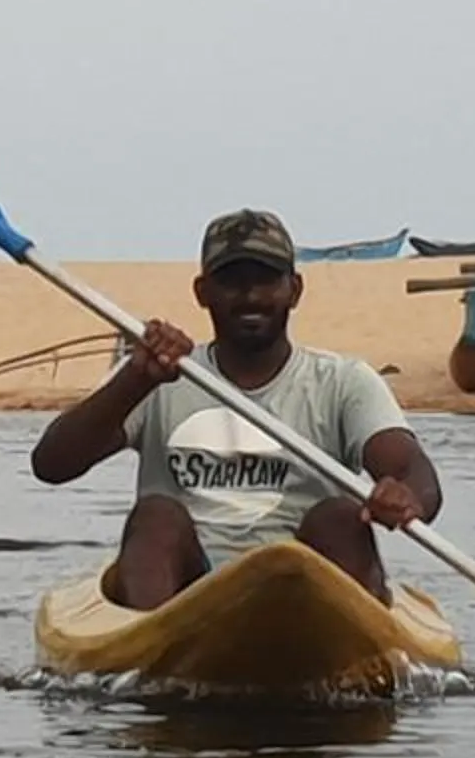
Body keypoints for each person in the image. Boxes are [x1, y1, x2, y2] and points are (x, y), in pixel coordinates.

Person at [30, 208, 443, 610]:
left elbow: (412, 468)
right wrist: (135, 380)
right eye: (231, 282)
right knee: (156, 516)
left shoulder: (343, 382)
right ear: (202, 292)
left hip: (307, 593)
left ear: (294, 290)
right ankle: (152, 661)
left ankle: (357, 654)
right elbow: (52, 463)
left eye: (266, 281)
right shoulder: (158, 377)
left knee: (342, 516)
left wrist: (408, 498)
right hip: (186, 591)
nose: (250, 297)